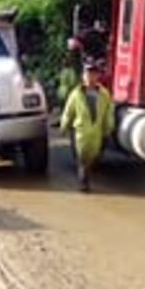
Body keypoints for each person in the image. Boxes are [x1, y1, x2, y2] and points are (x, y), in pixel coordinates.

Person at [60, 59, 114, 192]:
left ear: (98, 76)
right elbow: (68, 111)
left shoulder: (104, 94)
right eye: (88, 74)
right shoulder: (76, 94)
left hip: (96, 133)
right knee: (82, 159)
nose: (91, 77)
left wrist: (108, 128)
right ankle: (83, 183)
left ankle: (86, 175)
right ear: (83, 76)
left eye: (94, 74)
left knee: (93, 157)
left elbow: (108, 112)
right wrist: (64, 127)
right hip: (80, 133)